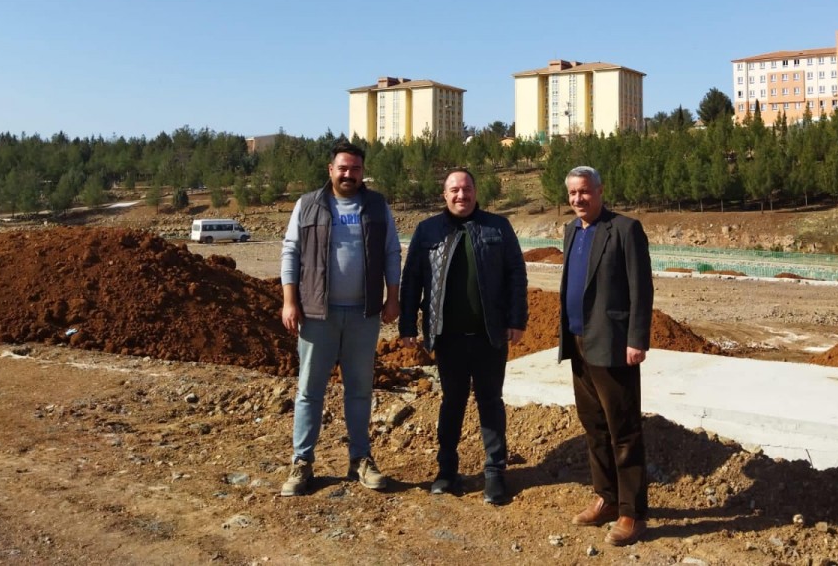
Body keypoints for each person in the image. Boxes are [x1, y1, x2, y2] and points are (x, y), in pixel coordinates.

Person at [279, 139, 401, 496]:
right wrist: (289, 302)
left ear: (363, 172)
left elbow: (392, 252)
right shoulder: (308, 205)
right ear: (330, 169)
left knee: (360, 390)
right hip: (317, 314)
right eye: (343, 168)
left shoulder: (377, 206)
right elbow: (291, 251)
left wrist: (393, 298)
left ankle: (360, 459)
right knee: (309, 391)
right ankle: (302, 462)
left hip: (364, 314)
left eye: (355, 169)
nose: (349, 174)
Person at [399, 168, 528, 505]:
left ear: (475, 191)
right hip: (447, 337)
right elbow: (412, 279)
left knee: (491, 402)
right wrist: (407, 325)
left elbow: (516, 274)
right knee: (452, 402)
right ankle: (446, 471)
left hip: (489, 335)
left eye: (467, 188)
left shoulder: (497, 227)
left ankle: (495, 473)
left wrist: (517, 319)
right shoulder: (428, 230)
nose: (461, 195)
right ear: (444, 195)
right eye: (454, 189)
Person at [559, 165, 653, 546]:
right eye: (572, 193)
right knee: (594, 426)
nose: (578, 199)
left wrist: (637, 339)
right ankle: (607, 498)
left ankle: (633, 513)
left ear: (600, 191)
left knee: (624, 430)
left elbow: (641, 288)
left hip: (613, 344)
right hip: (578, 342)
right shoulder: (571, 231)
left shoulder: (625, 230)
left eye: (584, 191)